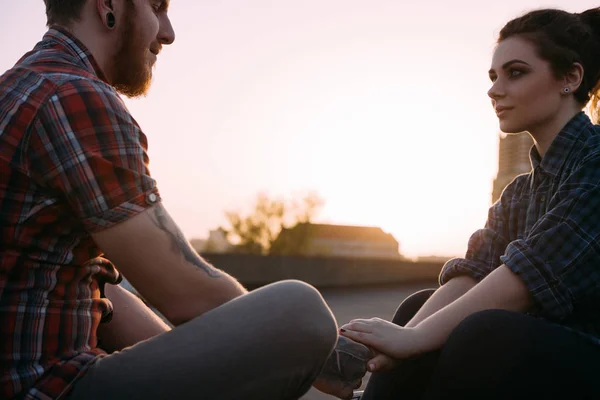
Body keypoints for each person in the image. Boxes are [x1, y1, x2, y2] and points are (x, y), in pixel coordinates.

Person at [0, 1, 371, 399]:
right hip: (50, 389)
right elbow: (184, 292)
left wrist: (198, 362)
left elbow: (91, 286)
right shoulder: (73, 97)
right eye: (156, 7)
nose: (168, 32)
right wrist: (326, 351)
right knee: (301, 312)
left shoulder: (18, 88)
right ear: (107, 5)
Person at [340, 7, 600, 400]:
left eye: (516, 72)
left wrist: (415, 340)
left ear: (570, 77)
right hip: (548, 352)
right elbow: (473, 274)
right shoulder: (519, 192)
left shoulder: (596, 161)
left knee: (482, 333)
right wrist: (397, 343)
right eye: (494, 77)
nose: (495, 90)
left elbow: (528, 277)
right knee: (419, 307)